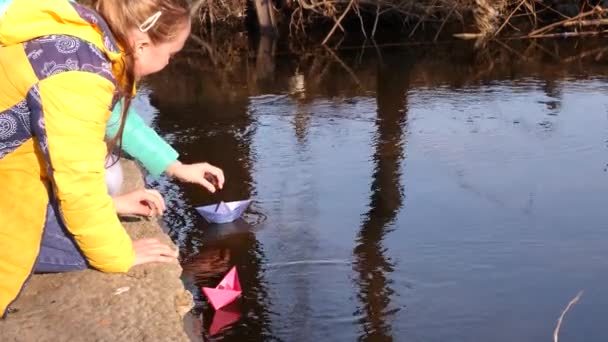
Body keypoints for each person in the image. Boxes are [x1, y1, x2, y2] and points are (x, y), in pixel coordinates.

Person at [0, 0, 204, 317]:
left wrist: (113, 205)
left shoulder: (79, 40)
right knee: (74, 247)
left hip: (12, 170)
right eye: (171, 54)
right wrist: (117, 254)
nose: (168, 63)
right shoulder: (80, 76)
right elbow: (78, 185)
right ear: (142, 44)